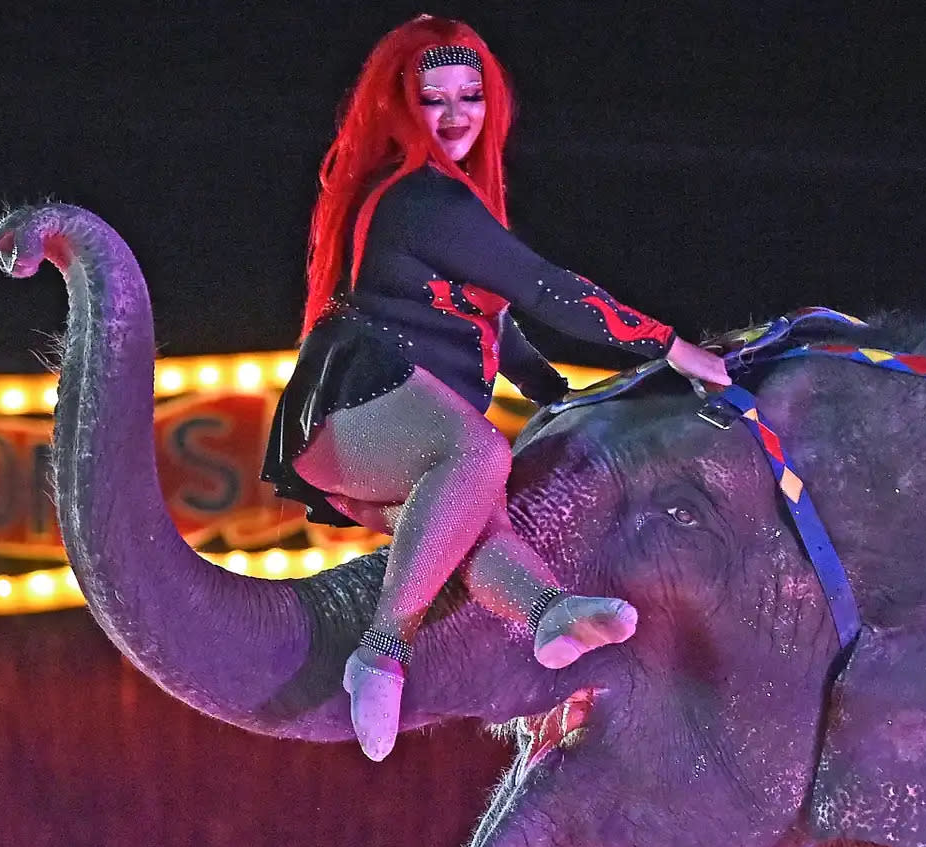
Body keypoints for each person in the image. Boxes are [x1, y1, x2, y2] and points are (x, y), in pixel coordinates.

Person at [261, 15, 729, 761]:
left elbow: (491, 322)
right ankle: (381, 652)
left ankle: (548, 614)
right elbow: (543, 288)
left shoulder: (450, 201)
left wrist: (554, 389)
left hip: (386, 427)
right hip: (354, 411)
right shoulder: (421, 199)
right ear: (400, 109)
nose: (454, 118)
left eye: (469, 97)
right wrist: (668, 345)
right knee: (479, 456)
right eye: (433, 101)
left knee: (475, 525)